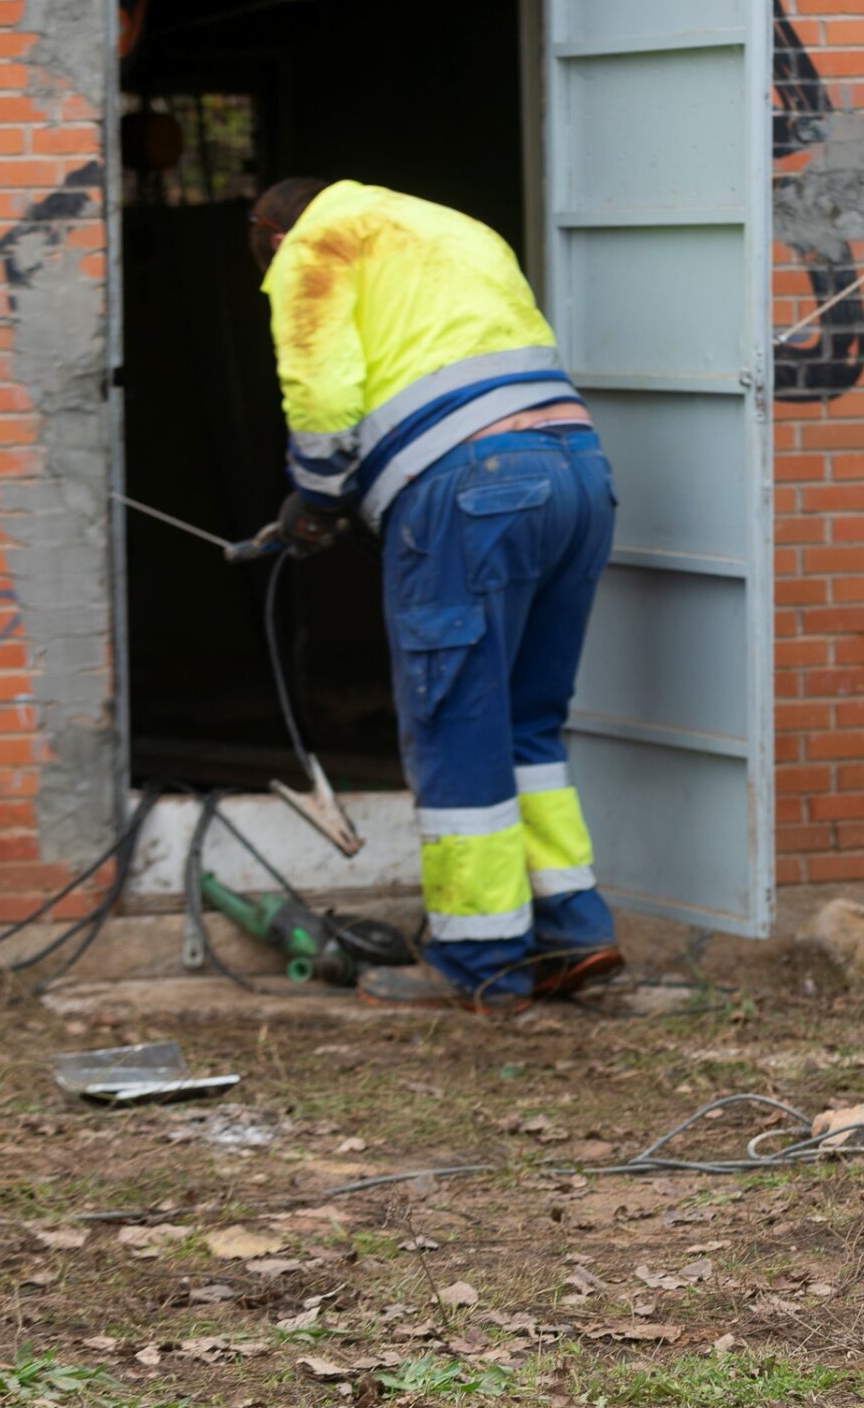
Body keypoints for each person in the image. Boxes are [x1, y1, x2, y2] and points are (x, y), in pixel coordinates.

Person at [248, 177, 621, 1012]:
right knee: (527, 720)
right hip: (579, 475)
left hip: (473, 492)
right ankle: (572, 929)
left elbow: (321, 395)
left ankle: (479, 957)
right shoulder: (457, 225)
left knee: (455, 718)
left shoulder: (314, 244)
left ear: (270, 236)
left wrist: (314, 502)